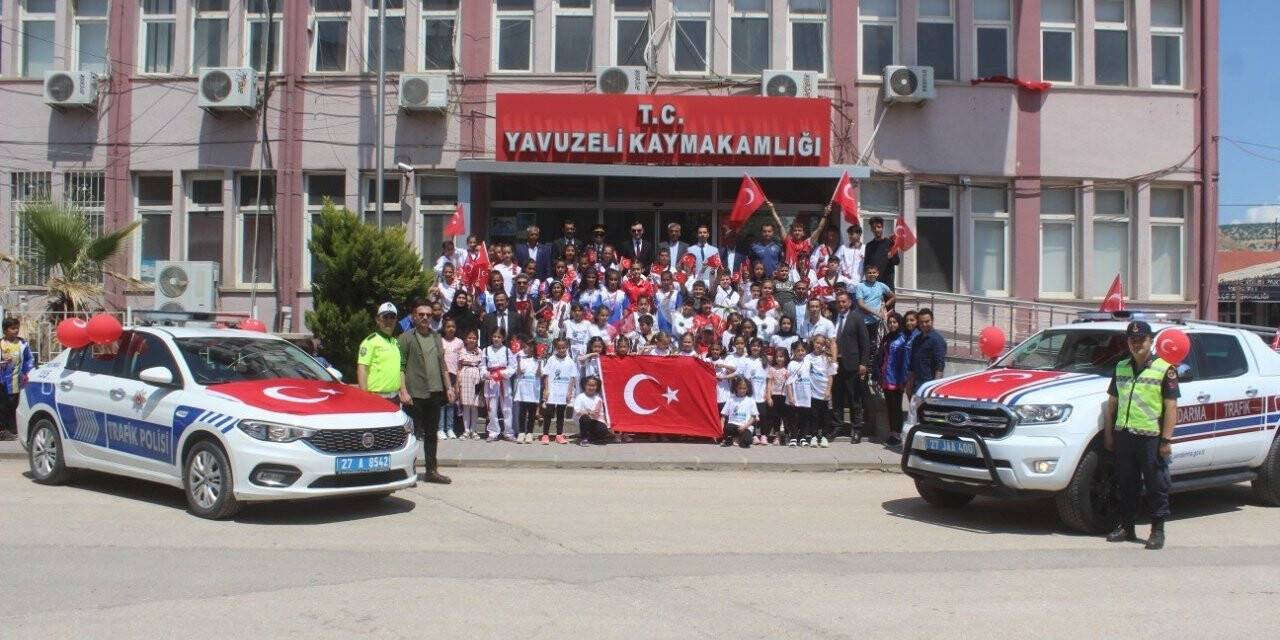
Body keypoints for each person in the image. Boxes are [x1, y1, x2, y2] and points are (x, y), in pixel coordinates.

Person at [1104, 321, 1178, 550]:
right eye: (1132, 340)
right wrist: (1109, 434)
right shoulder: (1121, 367)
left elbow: (1171, 407)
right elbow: (1112, 404)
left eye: (1141, 340)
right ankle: (1127, 527)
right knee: (1126, 484)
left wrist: (1166, 440)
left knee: (1156, 485)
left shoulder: (1165, 369)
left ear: (1151, 341)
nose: (1136, 344)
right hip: (1125, 435)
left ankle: (1157, 530)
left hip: (1151, 437)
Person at [397, 303, 453, 484]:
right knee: (412, 436)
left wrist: (449, 387)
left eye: (428, 315)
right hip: (414, 394)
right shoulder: (405, 338)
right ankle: (409, 472)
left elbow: (442, 365)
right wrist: (403, 391)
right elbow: (401, 367)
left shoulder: (437, 337)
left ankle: (431, 471)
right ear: (413, 316)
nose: (425, 317)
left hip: (435, 392)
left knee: (431, 434)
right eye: (421, 314)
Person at [831, 291, 871, 443]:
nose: (841, 304)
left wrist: (863, 363)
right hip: (835, 365)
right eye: (839, 302)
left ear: (849, 303)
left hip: (852, 364)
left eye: (844, 302)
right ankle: (837, 426)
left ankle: (856, 429)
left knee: (854, 398)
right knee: (837, 397)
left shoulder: (857, 318)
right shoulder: (832, 318)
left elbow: (865, 343)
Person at [357, 302, 403, 403]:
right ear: (378, 320)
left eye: (392, 317)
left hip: (395, 398)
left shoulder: (395, 342)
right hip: (377, 399)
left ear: (396, 320)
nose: (389, 320)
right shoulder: (370, 341)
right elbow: (362, 369)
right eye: (385, 317)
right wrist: (365, 397)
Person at [0, 318, 34, 441]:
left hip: (16, 381)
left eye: (16, 328)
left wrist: (26, 373)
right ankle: (3, 431)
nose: (15, 330)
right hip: (2, 381)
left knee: (14, 405)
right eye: (12, 328)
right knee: (3, 406)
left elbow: (29, 360)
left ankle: (13, 429)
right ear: (5, 330)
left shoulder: (22, 344)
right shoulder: (1, 344)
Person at [878, 312, 910, 446]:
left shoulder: (903, 339)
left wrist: (904, 380)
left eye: (894, 322)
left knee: (896, 408)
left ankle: (897, 435)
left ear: (899, 323)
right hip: (886, 377)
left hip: (897, 379)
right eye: (890, 322)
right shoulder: (887, 337)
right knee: (890, 407)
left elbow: (905, 361)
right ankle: (893, 433)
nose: (892, 325)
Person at [482, 329, 516, 442]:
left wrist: (502, 374)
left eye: (499, 337)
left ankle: (508, 432)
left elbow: (513, 366)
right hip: (491, 382)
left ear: (503, 338)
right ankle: (493, 432)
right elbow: (482, 366)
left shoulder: (507, 351)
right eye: (494, 336)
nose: (496, 339)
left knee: (507, 408)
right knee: (492, 408)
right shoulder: (486, 350)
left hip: (504, 382)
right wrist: (485, 374)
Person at [541, 337, 577, 444]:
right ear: (556, 348)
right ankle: (545, 435)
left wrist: (570, 392)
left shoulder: (570, 361)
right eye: (559, 348)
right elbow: (546, 375)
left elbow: (572, 378)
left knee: (561, 414)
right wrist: (546, 389)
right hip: (552, 390)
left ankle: (559, 434)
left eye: (563, 348)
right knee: (549, 412)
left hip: (564, 391)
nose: (561, 350)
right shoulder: (551, 359)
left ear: (567, 347)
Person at [906, 308, 946, 399]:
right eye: (921, 322)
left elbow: (939, 367)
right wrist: (909, 384)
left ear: (932, 321)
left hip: (928, 387)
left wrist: (933, 390)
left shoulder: (937, 340)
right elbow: (912, 365)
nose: (924, 324)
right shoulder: (916, 339)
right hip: (915, 386)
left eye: (927, 321)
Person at [807, 334, 838, 448]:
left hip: (824, 392)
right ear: (813, 343)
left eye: (821, 343)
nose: (819, 345)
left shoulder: (826, 358)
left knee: (826, 416)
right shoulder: (808, 358)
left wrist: (828, 390)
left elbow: (830, 376)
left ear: (824, 345)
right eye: (817, 343)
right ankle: (814, 436)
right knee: (814, 415)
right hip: (812, 392)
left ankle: (824, 437)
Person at [454, 329, 485, 439]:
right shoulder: (462, 351)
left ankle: (474, 430)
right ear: (465, 339)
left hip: (476, 380)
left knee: (474, 406)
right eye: (469, 338)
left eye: (474, 338)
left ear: (477, 340)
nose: (472, 340)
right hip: (465, 378)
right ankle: (466, 430)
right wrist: (457, 384)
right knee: (466, 406)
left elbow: (482, 366)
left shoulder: (480, 351)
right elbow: (458, 368)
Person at [511, 338, 543, 444]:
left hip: (533, 390)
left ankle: (529, 433)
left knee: (532, 412)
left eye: (529, 347)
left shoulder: (538, 360)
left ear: (534, 348)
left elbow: (539, 374)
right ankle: (521, 432)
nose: (527, 349)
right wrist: (519, 361)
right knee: (522, 412)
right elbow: (519, 373)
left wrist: (539, 363)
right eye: (525, 347)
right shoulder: (522, 359)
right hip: (523, 390)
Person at [438, 319, 463, 440]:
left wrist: (458, 381)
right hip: (442, 375)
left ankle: (450, 428)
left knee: (451, 403)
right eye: (448, 326)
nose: (451, 329)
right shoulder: (440, 341)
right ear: (444, 328)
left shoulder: (459, 342)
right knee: (442, 404)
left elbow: (460, 363)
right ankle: (440, 429)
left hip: (454, 375)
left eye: (453, 326)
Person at [785, 341, 813, 447]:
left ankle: (802, 437)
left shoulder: (808, 362)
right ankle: (793, 437)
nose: (800, 352)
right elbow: (788, 382)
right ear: (793, 351)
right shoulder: (791, 364)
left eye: (803, 350)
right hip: (795, 395)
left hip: (806, 395)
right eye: (798, 350)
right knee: (793, 418)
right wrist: (791, 396)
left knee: (804, 418)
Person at [720, 376, 759, 448]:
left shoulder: (751, 400)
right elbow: (723, 416)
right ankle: (733, 438)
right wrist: (721, 429)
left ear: (747, 389)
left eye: (744, 388)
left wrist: (745, 426)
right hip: (732, 426)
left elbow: (753, 417)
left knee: (746, 443)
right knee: (728, 428)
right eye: (740, 388)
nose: (742, 390)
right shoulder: (731, 399)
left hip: (745, 426)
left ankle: (735, 439)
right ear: (736, 388)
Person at [862, 217, 900, 289]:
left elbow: (897, 262)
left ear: (882, 228)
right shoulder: (869, 245)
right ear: (871, 230)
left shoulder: (890, 243)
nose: (876, 230)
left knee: (890, 300)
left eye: (879, 227)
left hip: (887, 283)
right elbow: (866, 265)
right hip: (874, 285)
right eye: (874, 228)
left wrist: (892, 256)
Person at [574, 376, 611, 446]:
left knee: (603, 429)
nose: (591, 388)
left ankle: (591, 438)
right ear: (585, 385)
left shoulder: (598, 398)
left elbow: (597, 414)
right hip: (584, 421)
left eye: (593, 386)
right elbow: (577, 412)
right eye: (589, 385)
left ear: (597, 387)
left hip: (596, 421)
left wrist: (588, 412)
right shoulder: (580, 397)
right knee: (585, 417)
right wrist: (589, 412)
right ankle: (584, 439)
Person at [764, 347, 790, 446]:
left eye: (782, 357)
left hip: (785, 396)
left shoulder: (788, 369)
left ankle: (787, 435)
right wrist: (769, 397)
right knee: (776, 417)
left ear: (786, 357)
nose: (779, 359)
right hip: (775, 396)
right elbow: (769, 383)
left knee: (786, 417)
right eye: (778, 357)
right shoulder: (772, 369)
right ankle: (777, 436)